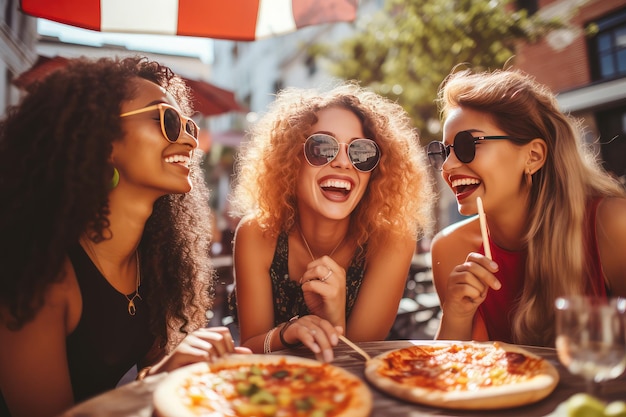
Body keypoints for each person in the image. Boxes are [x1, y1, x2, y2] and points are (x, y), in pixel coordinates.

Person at [0, 56, 249, 417]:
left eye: (189, 127)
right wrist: (158, 379)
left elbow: (151, 372)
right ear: (101, 140)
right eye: (166, 120)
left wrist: (169, 371)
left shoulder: (154, 259)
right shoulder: (39, 278)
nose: (188, 141)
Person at [228, 82, 434, 361]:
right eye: (322, 147)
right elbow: (248, 348)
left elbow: (360, 361)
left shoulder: (392, 240)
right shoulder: (258, 233)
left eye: (361, 152)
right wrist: (288, 332)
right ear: (290, 159)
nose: (343, 162)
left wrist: (334, 319)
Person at [427, 68, 626, 347]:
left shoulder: (613, 226)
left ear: (533, 156)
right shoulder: (451, 249)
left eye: (466, 144)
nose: (447, 167)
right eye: (444, 151)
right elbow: (463, 373)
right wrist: (456, 315)